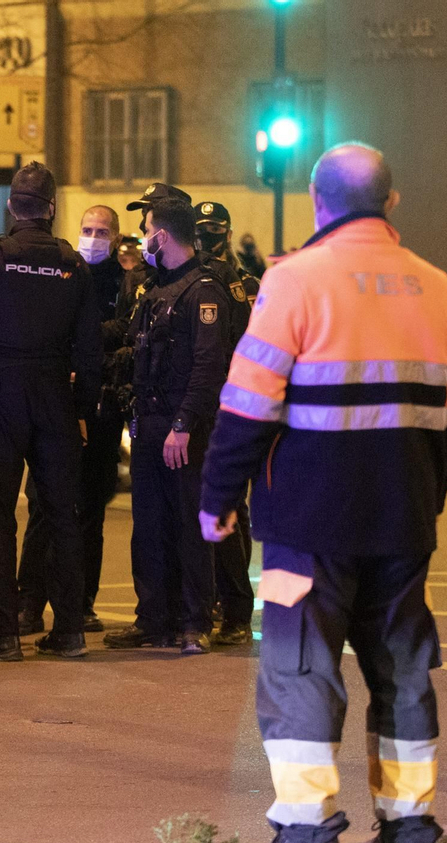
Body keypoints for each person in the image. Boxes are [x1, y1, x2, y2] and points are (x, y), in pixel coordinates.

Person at [203, 143, 447, 843]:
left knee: (298, 670)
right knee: (403, 671)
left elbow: (247, 405)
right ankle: (409, 833)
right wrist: (425, 493)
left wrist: (218, 499)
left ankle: (305, 839)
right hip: (402, 523)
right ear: (391, 203)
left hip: (305, 528)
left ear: (318, 203)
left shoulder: (293, 281)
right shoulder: (437, 288)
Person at [0, 162, 102, 662]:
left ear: (13, 206)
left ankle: (3, 634)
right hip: (54, 396)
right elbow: (90, 351)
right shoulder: (72, 264)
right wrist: (80, 409)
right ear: (52, 209)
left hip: (0, 398)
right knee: (61, 515)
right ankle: (70, 630)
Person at [103, 196, 230, 656]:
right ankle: (153, 618)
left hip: (183, 429)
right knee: (149, 526)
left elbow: (207, 367)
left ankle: (196, 621)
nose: (142, 233)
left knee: (189, 526)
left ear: (164, 234)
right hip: (149, 423)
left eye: (146, 224)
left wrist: (183, 424)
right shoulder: (156, 289)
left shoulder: (204, 291)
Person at [16, 204, 126, 636]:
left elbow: (128, 329)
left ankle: (81, 604)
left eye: (101, 231)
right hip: (59, 405)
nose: (93, 236)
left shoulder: (127, 281)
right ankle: (29, 602)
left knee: (91, 510)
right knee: (44, 504)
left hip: (101, 409)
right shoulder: (62, 271)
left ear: (116, 238)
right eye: (87, 229)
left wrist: (87, 338)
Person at [195, 201, 258, 647]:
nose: (207, 238)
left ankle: (236, 608)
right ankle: (215, 598)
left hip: (235, 410)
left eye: (215, 230)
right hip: (201, 407)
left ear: (227, 233)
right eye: (200, 230)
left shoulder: (248, 286)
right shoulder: (190, 282)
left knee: (230, 510)